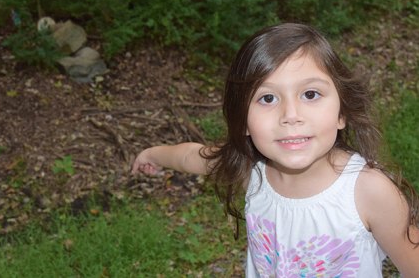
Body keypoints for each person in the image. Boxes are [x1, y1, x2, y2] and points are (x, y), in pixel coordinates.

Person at [131, 23, 419, 277]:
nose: (290, 115)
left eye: (310, 94)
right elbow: (190, 157)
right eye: (267, 98)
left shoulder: (368, 191)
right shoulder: (252, 171)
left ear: (342, 113)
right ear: (242, 120)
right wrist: (153, 154)